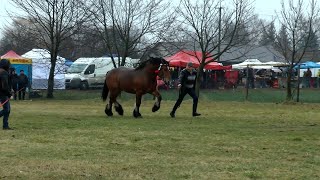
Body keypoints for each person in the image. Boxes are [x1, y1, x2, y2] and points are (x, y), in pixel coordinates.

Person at [0, 59, 13, 130]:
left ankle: (5, 125)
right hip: (3, 94)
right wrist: (9, 93)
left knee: (7, 109)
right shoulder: (4, 72)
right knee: (6, 109)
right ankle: (5, 125)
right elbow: (4, 85)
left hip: (2, 93)